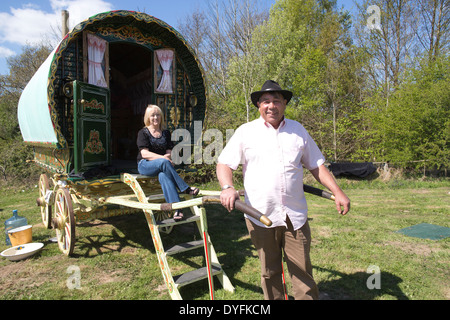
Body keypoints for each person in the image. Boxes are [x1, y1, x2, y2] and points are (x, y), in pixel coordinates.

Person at [216, 80, 350, 300]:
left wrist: (338, 191)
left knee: (302, 272)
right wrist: (228, 187)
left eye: (276, 101)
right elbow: (224, 164)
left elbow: (316, 165)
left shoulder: (298, 131)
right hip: (260, 215)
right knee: (269, 272)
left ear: (285, 103)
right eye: (266, 101)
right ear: (259, 105)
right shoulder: (245, 132)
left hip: (294, 215)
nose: (271, 106)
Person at [137, 104, 199, 221]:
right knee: (164, 163)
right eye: (152, 115)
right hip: (145, 164)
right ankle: (185, 188)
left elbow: (169, 151)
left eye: (158, 115)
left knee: (164, 175)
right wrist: (163, 159)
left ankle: (177, 209)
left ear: (161, 117)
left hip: (162, 166)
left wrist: (167, 157)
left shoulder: (165, 133)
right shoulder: (143, 133)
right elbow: (144, 154)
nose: (155, 118)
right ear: (148, 118)